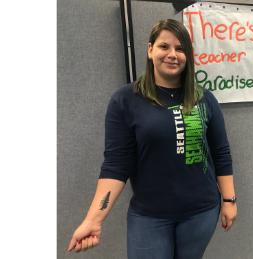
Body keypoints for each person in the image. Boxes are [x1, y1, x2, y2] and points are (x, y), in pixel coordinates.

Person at [67, 19, 237, 259]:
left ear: (188, 55)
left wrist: (229, 200)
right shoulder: (126, 100)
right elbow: (116, 166)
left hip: (201, 212)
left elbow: (221, 152)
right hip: (150, 216)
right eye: (164, 46)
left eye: (180, 49)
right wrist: (93, 219)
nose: (172, 54)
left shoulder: (204, 98)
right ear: (150, 50)